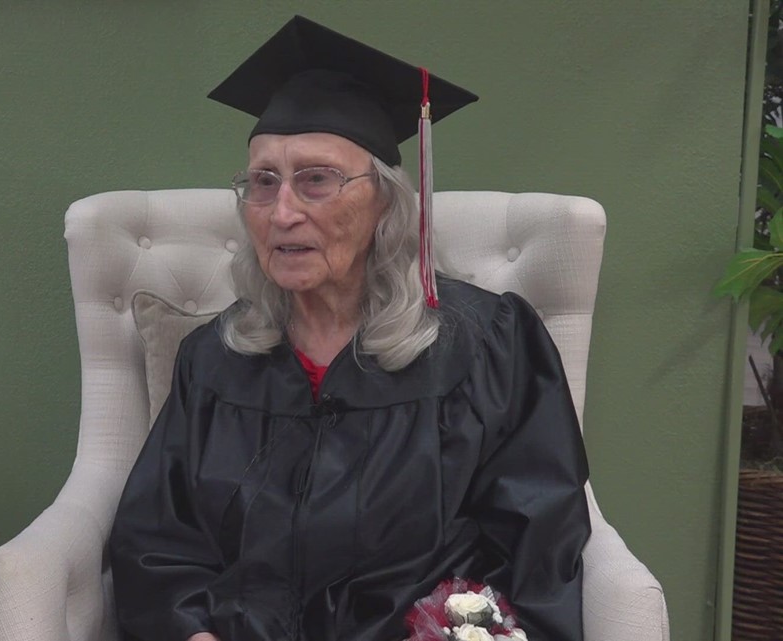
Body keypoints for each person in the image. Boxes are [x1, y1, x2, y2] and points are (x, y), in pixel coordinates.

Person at [109, 16, 591, 641]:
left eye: (317, 179)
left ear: (386, 203)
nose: (283, 212)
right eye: (263, 182)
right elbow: (156, 540)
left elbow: (538, 541)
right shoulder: (213, 359)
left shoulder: (489, 345)